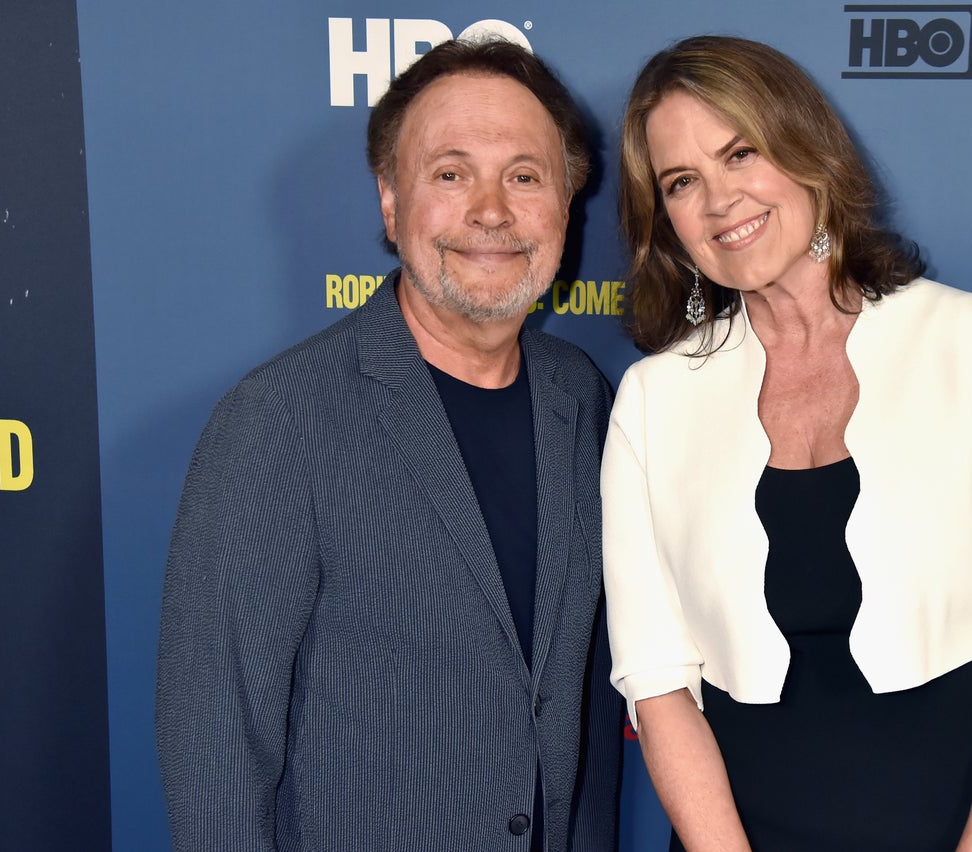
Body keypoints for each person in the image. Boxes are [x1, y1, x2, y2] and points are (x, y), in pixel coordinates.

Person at [602, 35, 972, 851]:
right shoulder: (654, 399)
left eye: (742, 153)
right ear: (667, 220)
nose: (721, 200)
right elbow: (656, 682)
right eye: (682, 182)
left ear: (807, 153)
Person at [155, 39, 622, 851]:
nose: (491, 211)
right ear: (390, 202)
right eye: (450, 172)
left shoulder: (578, 393)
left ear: (566, 203)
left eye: (524, 174)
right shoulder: (278, 419)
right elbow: (215, 746)